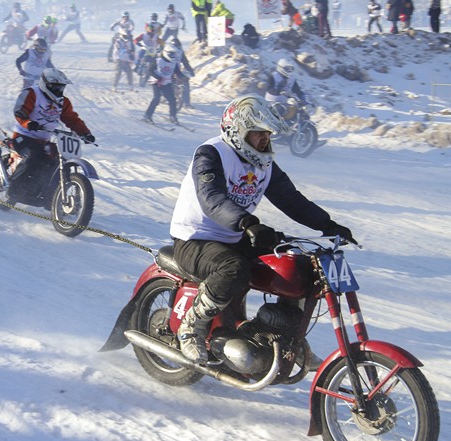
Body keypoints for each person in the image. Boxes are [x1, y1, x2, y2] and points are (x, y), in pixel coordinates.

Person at [169, 95, 355, 363]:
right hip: (195, 239)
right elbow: (212, 199)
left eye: (267, 133)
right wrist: (246, 222)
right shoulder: (211, 154)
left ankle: (284, 337)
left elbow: (290, 199)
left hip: (235, 236)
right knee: (233, 268)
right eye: (258, 133)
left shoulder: (264, 163)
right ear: (237, 131)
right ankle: (191, 327)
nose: (265, 139)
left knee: (298, 265)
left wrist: (328, 225)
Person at [9, 68, 95, 204]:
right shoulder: (32, 93)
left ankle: (48, 195)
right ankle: (13, 189)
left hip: (43, 140)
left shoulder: (63, 102)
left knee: (55, 161)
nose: (58, 90)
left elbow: (72, 119)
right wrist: (29, 123)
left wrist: (85, 133)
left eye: (61, 87)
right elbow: (20, 111)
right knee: (33, 156)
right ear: (45, 84)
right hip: (23, 136)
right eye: (55, 87)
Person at [143, 44, 183, 125]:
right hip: (156, 82)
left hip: (166, 83)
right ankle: (147, 115)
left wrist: (183, 76)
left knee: (172, 99)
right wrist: (158, 77)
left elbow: (178, 72)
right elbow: (149, 70)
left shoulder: (173, 63)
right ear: (166, 53)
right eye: (171, 54)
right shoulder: (158, 61)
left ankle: (173, 116)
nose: (173, 56)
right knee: (156, 99)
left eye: (174, 54)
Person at [169, 37, 195, 108]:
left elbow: (185, 62)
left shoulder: (180, 53)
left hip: (177, 70)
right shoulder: (168, 52)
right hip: (168, 70)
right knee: (168, 82)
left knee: (186, 82)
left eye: (178, 47)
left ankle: (187, 103)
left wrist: (191, 71)